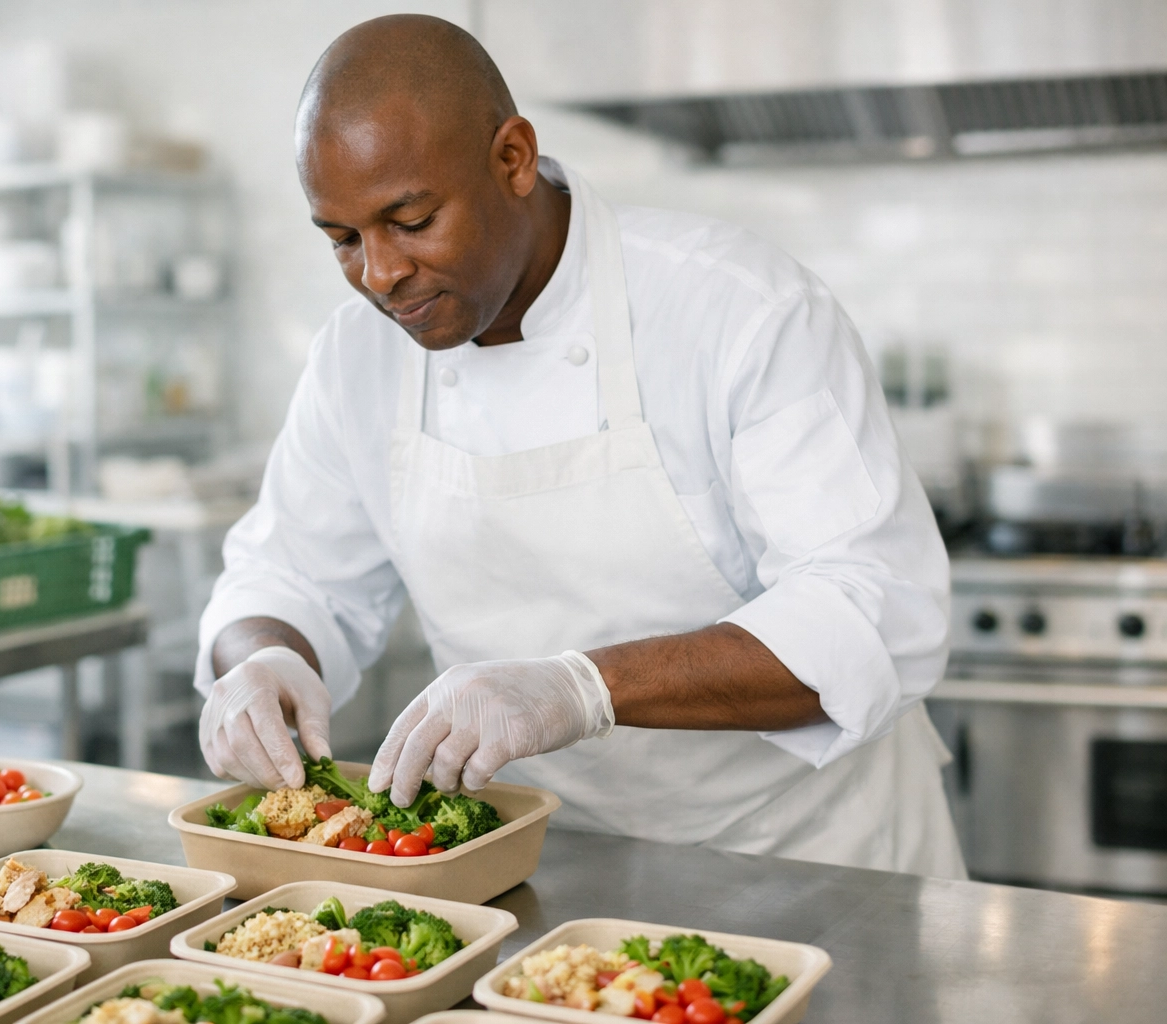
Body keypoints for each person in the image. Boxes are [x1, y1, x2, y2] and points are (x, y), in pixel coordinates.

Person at [194, 14, 964, 876]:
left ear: (513, 159)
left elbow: (876, 611)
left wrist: (580, 688)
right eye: (341, 239)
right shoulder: (354, 358)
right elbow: (289, 574)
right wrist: (259, 658)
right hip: (543, 863)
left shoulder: (736, 307)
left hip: (808, 856)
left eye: (410, 220)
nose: (379, 273)